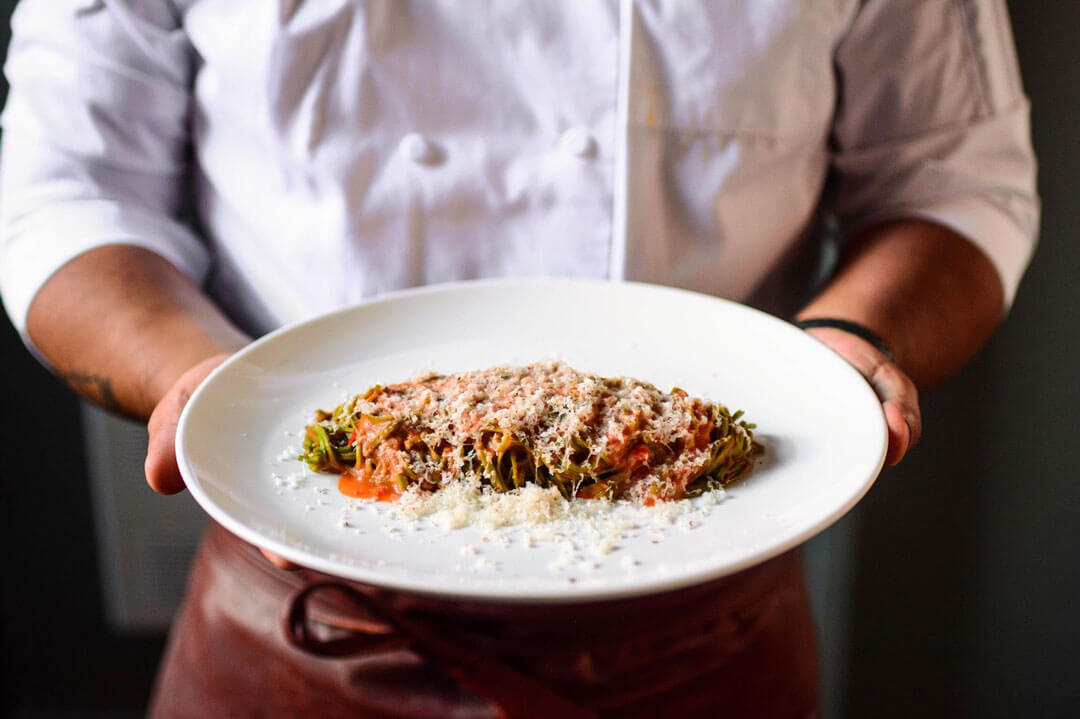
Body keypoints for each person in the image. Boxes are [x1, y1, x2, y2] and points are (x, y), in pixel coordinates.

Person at [0, 1, 1037, 716]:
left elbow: (950, 181)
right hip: (295, 615)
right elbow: (68, 196)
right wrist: (209, 384)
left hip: (706, 625)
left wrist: (849, 343)